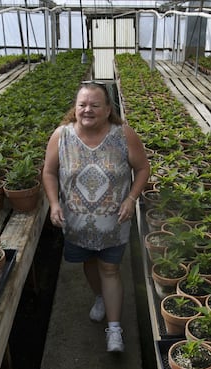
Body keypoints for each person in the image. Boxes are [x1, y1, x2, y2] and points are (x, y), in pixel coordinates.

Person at [42, 81, 150, 353]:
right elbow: (49, 172)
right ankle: (100, 296)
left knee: (110, 268)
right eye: (82, 105)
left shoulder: (123, 134)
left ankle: (114, 330)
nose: (87, 110)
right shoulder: (61, 136)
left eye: (94, 105)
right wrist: (54, 203)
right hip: (76, 223)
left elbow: (143, 168)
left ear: (108, 109)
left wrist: (131, 198)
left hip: (113, 223)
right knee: (89, 262)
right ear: (75, 108)